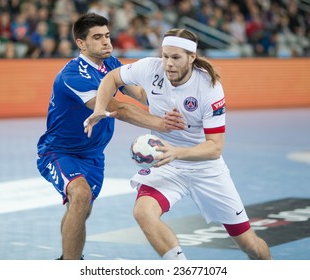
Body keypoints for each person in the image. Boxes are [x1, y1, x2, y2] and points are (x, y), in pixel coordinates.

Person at [84, 28, 272, 260]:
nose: (168, 64)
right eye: (165, 56)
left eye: (176, 58)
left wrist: (177, 152)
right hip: (167, 163)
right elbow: (112, 77)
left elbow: (215, 148)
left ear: (192, 57)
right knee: (143, 212)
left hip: (205, 167)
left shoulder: (209, 88)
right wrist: (100, 107)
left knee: (250, 244)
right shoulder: (150, 68)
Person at [36, 13, 185, 260]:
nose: (106, 42)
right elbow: (119, 109)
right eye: (97, 37)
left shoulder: (111, 64)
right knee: (80, 196)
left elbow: (139, 93)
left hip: (94, 155)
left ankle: (65, 259)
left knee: (80, 209)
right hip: (60, 152)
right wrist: (162, 124)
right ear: (81, 43)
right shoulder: (73, 75)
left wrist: (172, 94)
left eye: (107, 35)